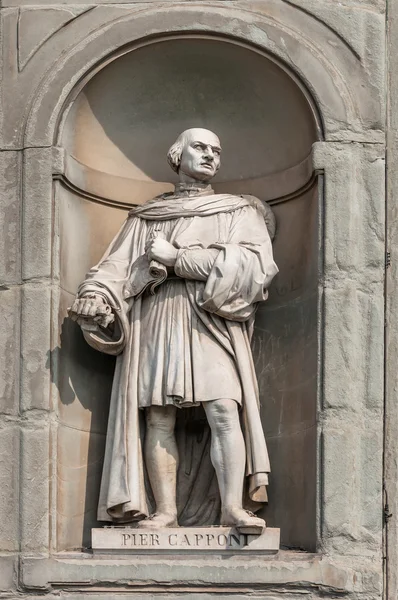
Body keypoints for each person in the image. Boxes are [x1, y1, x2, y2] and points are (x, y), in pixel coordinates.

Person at [69, 128, 278, 533]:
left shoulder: (236, 212)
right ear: (177, 155)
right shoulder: (147, 217)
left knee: (223, 408)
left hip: (212, 321)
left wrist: (179, 259)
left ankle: (232, 508)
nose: (210, 156)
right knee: (159, 416)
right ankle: (165, 512)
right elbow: (113, 269)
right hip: (158, 319)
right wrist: (94, 296)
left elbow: (255, 268)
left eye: (217, 150)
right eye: (200, 147)